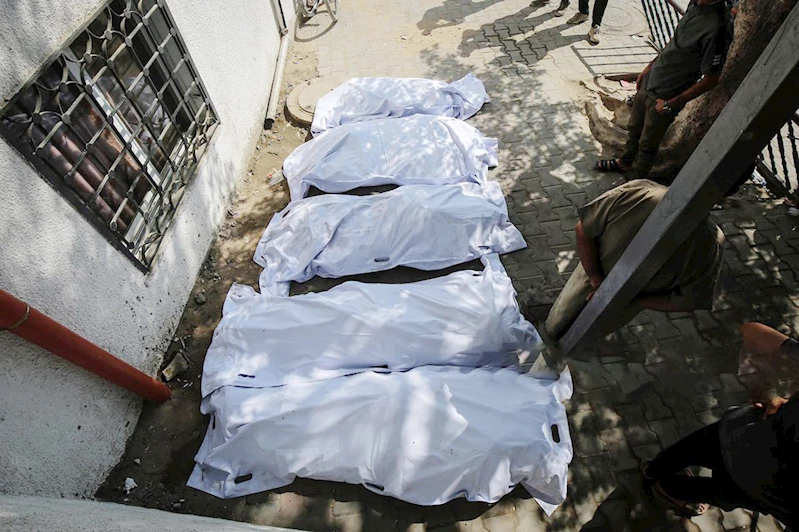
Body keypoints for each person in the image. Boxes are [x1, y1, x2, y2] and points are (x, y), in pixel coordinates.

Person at [642, 323, 796, 529]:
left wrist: (766, 392)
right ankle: (667, 489)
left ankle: (652, 471)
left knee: (687, 450)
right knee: (705, 489)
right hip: (758, 489)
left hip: (742, 431)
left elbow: (753, 333)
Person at [544, 179, 725, 340]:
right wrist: (632, 301)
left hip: (587, 283)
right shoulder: (711, 244)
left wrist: (595, 278)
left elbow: (583, 230)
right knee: (584, 336)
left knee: (558, 322)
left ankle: (550, 342)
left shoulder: (640, 192)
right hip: (621, 306)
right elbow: (686, 302)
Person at [595, 0, 732, 180]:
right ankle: (624, 162)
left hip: (667, 95)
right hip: (651, 81)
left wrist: (671, 103)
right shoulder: (695, 5)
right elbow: (675, 39)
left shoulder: (718, 27)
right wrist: (649, 67)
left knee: (647, 144)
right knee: (634, 128)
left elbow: (711, 80)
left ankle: (634, 185)